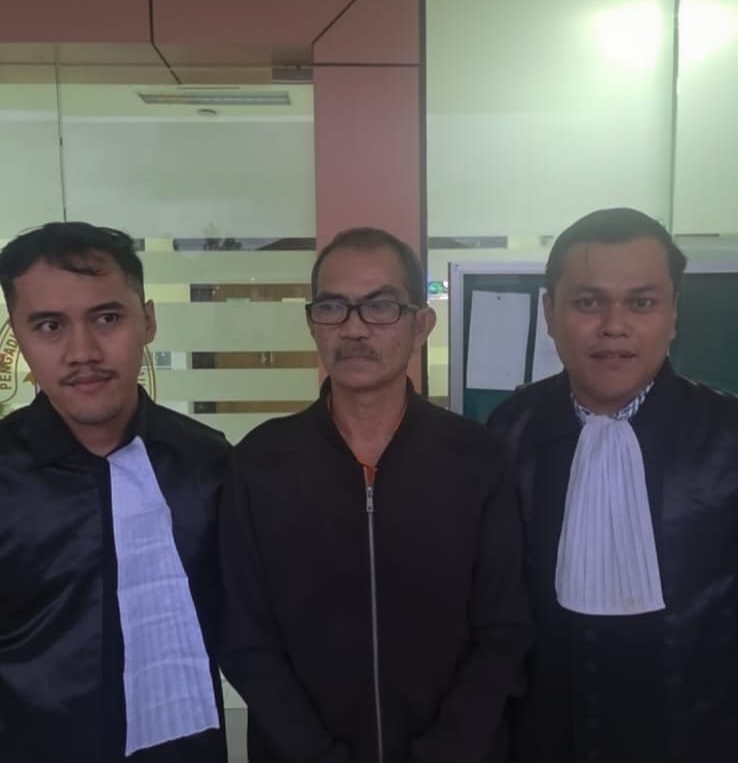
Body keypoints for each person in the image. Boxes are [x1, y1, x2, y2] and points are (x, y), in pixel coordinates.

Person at [220, 227, 532, 763]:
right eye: (331, 307)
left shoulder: (476, 460)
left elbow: (503, 632)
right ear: (312, 324)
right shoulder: (261, 464)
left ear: (421, 325)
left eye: (381, 306)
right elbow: (245, 638)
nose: (354, 328)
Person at [487, 207, 738, 763]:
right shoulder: (509, 433)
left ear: (674, 313)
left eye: (641, 303)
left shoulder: (729, 438)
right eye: (588, 302)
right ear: (550, 313)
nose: (614, 326)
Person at [0, 222, 229, 763]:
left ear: (147, 320)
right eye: (50, 326)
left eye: (106, 318)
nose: (83, 351)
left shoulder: (210, 463)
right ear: (18, 337)